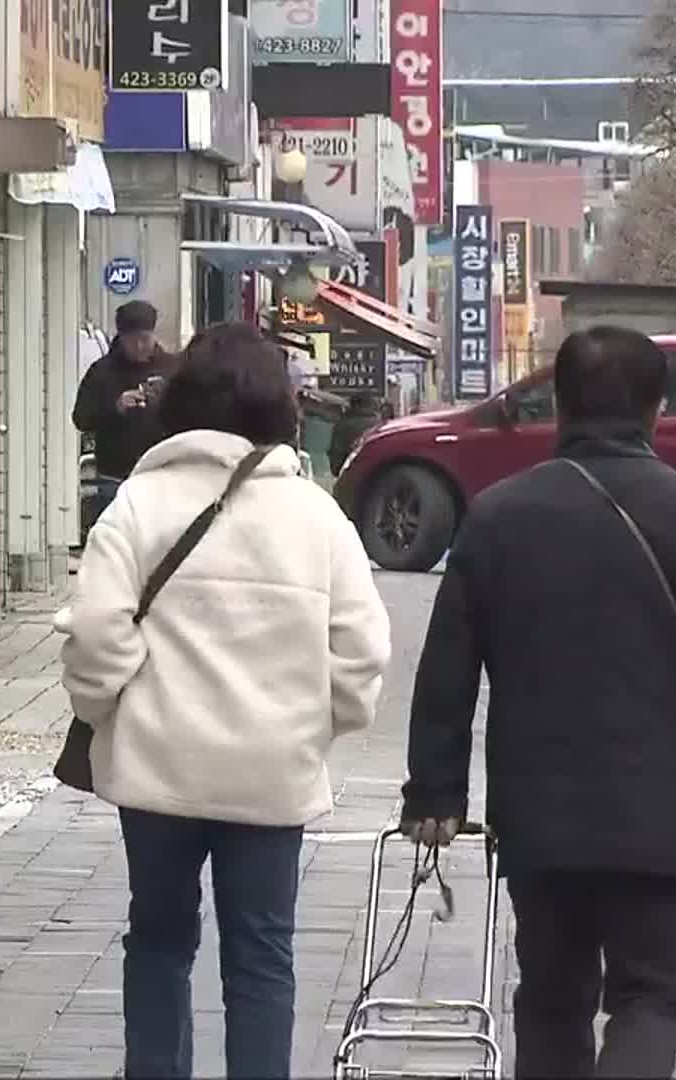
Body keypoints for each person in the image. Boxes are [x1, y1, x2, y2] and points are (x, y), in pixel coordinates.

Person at [398, 326, 676, 1079]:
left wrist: (435, 789)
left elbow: (447, 670)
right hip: (661, 809)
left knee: (552, 1001)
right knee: (654, 996)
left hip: (540, 815)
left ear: (560, 404)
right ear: (657, 409)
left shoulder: (497, 517)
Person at [58, 321, 393, 1079]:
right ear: (281, 406)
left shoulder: (138, 505)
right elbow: (364, 650)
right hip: (272, 771)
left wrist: (104, 708)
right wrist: (320, 722)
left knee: (159, 939)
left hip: (158, 766)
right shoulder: (316, 516)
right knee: (262, 956)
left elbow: (96, 635)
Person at [73, 300, 177, 482]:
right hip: (114, 475)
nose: (139, 347)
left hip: (161, 472)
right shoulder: (102, 371)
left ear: (154, 335)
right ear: (121, 338)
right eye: (131, 341)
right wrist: (116, 407)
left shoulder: (171, 367)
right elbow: (81, 417)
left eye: (144, 339)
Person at [328, 392, 384, 476]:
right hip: (377, 477)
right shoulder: (381, 426)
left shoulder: (342, 425)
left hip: (349, 477)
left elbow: (336, 454)